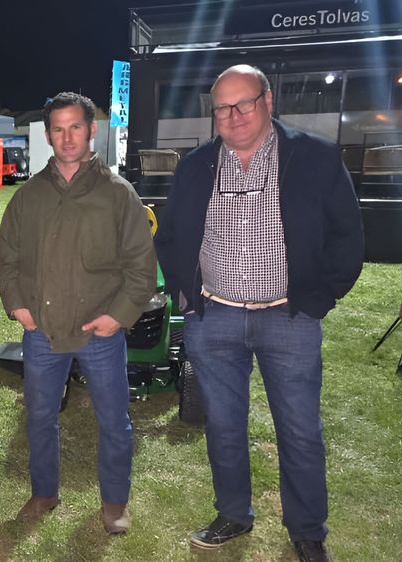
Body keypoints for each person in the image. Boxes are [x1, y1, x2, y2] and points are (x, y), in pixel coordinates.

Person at [155, 65, 364, 561]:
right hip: (216, 319)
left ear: (268, 101)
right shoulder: (196, 165)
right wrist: (188, 298)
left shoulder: (313, 158)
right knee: (224, 427)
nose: (233, 115)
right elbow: (170, 236)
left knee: (299, 430)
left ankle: (307, 530)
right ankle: (233, 513)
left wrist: (319, 298)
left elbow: (348, 235)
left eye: (243, 103)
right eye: (222, 107)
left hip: (288, 318)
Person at [0, 92, 157, 534]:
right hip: (41, 333)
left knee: (114, 422)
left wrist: (117, 317)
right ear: (48, 135)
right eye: (58, 128)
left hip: (100, 335)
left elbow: (141, 269)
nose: (67, 137)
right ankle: (44, 492)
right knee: (40, 417)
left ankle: (114, 502)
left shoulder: (118, 195)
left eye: (76, 127)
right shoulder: (28, 197)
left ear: (91, 131)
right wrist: (18, 306)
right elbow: (7, 258)